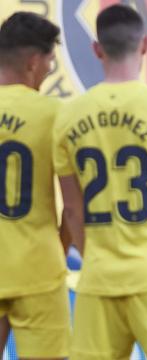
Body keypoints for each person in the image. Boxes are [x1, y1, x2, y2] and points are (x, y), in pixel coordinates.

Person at [53, 4, 147, 359]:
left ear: (96, 49)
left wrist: (98, 263)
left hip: (99, 281)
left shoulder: (67, 116)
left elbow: (72, 212)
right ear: (145, 45)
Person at [0, 12, 71, 360]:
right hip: (38, 267)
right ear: (32, 61)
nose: (48, 69)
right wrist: (60, 247)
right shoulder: (54, 114)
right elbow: (74, 205)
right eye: (49, 61)